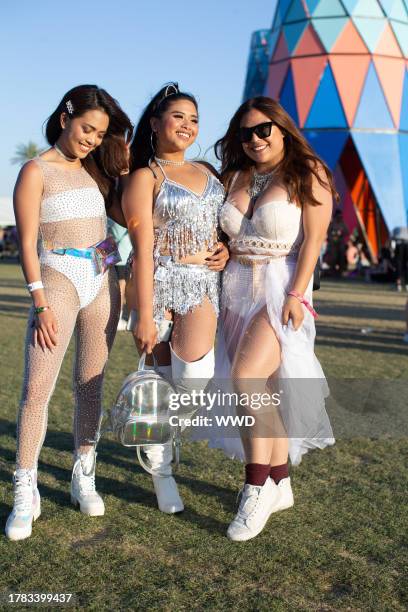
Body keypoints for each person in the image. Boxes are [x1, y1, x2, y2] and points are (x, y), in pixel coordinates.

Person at [6, 85, 133, 541]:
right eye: (86, 129)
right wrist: (39, 302)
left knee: (90, 386)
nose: (92, 140)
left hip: (103, 279)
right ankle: (27, 487)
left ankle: (84, 475)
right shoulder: (36, 170)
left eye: (100, 134)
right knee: (37, 389)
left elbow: (121, 220)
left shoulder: (98, 174)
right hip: (56, 277)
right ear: (65, 118)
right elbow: (26, 244)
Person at [212, 96, 336, 541]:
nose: (255, 139)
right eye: (245, 133)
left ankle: (255, 487)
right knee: (259, 389)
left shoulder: (308, 172)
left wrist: (298, 294)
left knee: (246, 380)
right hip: (233, 289)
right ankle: (280, 481)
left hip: (279, 288)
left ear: (283, 129)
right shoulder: (236, 175)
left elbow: (314, 241)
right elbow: (231, 234)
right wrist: (224, 249)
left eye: (263, 129)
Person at [123, 83, 228, 514]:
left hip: (203, 284)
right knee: (157, 386)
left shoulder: (208, 170)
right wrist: (144, 315)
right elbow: (141, 250)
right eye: (178, 116)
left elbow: (223, 223)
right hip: (157, 284)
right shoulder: (146, 177)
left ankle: (158, 440)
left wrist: (226, 248)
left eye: (194, 119)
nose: (187, 125)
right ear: (155, 123)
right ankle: (162, 473)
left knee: (193, 381)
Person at [107, 219, 133, 329]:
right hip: (122, 253)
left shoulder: (110, 212)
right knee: (120, 285)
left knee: (110, 283)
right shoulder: (122, 213)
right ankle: (117, 318)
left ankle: (113, 316)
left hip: (109, 251)